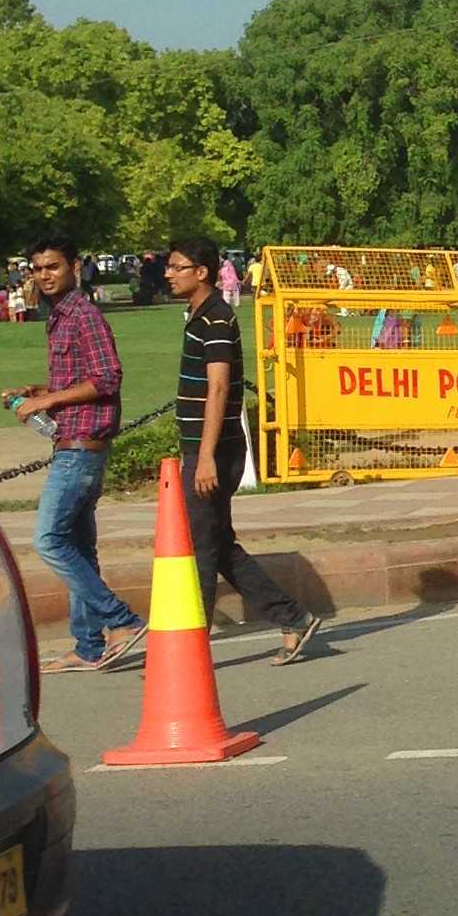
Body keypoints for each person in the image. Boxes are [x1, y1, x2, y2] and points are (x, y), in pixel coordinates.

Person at [164, 235, 323, 664]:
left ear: (201, 272)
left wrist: (205, 457)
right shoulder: (200, 316)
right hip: (205, 450)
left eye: (177, 267)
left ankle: (187, 653)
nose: (168, 274)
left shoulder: (216, 318)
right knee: (218, 545)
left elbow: (218, 387)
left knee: (200, 551)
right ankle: (292, 617)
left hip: (213, 453)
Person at [4, 234, 146, 673]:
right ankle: (88, 646)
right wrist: (40, 391)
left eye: (53, 266)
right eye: (38, 269)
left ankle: (121, 619)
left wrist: (48, 401)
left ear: (75, 267)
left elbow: (107, 377)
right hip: (73, 443)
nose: (44, 275)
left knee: (48, 540)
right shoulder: (59, 316)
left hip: (81, 448)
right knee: (79, 547)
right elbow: (79, 380)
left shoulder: (84, 315)